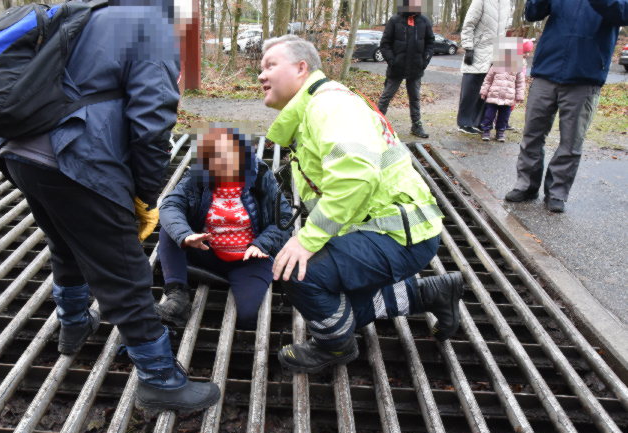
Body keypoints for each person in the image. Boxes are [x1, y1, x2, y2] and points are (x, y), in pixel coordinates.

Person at [0, 0, 220, 412]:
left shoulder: (84, 15)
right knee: (125, 271)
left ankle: (74, 325)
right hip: (76, 160)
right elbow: (152, 122)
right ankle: (160, 383)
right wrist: (144, 196)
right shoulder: (149, 25)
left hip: (21, 153)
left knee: (65, 242)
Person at [258, 35, 465, 374]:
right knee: (342, 303)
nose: (261, 76)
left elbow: (355, 175)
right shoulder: (320, 105)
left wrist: (307, 240)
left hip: (395, 230)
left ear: (301, 68)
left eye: (270, 66)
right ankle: (433, 293)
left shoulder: (328, 106)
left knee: (300, 274)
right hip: (397, 227)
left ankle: (335, 347)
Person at [157, 127, 292, 329]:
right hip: (205, 250)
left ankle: (214, 278)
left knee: (247, 317)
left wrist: (262, 244)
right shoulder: (198, 176)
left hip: (249, 258)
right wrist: (186, 236)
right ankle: (177, 298)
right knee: (170, 230)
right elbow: (170, 205)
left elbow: (284, 218)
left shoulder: (261, 177)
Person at [505, 0, 628, 213]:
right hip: (547, 71)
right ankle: (526, 185)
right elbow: (532, 12)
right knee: (532, 135)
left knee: (571, 142)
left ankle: (556, 193)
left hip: (585, 76)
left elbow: (622, 14)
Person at [377, 0, 435, 139]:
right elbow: (385, 44)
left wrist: (424, 61)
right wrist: (392, 61)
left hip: (416, 68)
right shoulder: (394, 20)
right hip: (396, 68)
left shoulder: (424, 21)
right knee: (386, 96)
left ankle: (416, 125)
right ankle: (376, 124)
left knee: (415, 98)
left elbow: (430, 43)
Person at [456, 0, 511, 135]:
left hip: (497, 51)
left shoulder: (507, 3)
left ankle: (481, 121)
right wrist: (468, 47)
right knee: (471, 89)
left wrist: (507, 53)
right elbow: (468, 25)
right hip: (478, 49)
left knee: (489, 90)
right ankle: (464, 122)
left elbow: (505, 29)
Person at [478, 38, 526, 142]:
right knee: (489, 115)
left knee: (504, 117)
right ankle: (486, 130)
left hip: (508, 98)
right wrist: (484, 91)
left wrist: (519, 96)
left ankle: (500, 132)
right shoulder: (495, 66)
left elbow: (520, 84)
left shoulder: (517, 68)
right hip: (493, 96)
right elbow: (488, 80)